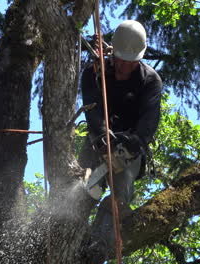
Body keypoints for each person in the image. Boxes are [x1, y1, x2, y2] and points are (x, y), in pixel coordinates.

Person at [79, 20, 162, 262]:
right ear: (113, 51)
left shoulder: (150, 80)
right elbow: (92, 111)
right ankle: (68, 230)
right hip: (98, 140)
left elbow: (149, 121)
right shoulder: (95, 73)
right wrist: (103, 135)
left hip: (130, 149)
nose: (124, 65)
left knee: (120, 195)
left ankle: (94, 250)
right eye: (121, 58)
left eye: (130, 60)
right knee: (81, 186)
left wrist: (133, 141)